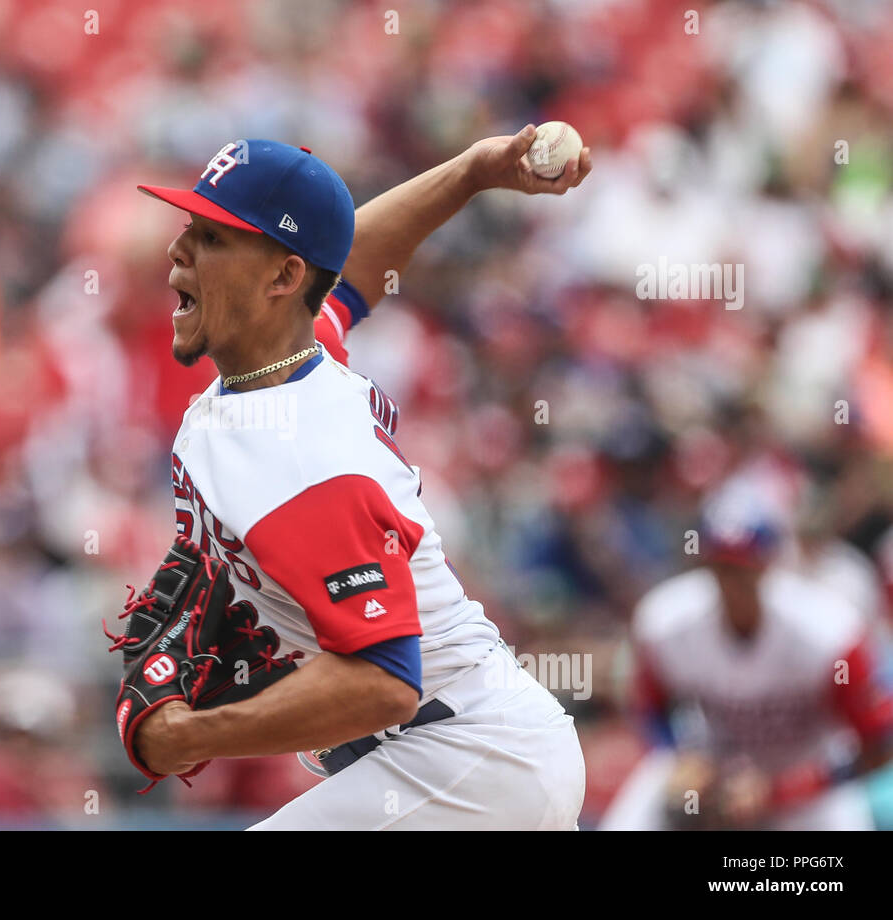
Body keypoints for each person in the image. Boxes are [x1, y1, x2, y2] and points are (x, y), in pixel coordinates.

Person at [128, 130, 592, 829]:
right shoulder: (295, 352)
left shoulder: (297, 456)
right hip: (454, 751)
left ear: (282, 281)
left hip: (471, 756)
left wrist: (184, 737)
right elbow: (353, 264)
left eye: (213, 238)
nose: (178, 251)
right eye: (190, 227)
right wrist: (467, 172)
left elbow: (383, 682)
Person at [600, 481, 893, 830]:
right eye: (722, 566)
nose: (732, 581)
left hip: (806, 780)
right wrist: (675, 754)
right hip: (713, 771)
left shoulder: (828, 632)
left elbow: (880, 743)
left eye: (744, 567)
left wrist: (782, 791)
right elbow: (649, 707)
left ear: (769, 563)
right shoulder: (668, 620)